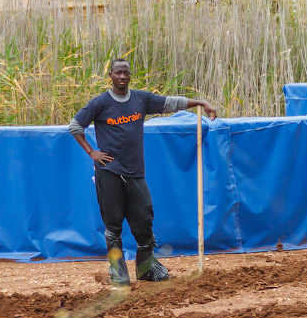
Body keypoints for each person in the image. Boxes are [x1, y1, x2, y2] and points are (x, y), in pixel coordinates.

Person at [69, 58, 216, 286]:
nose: (122, 77)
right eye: (118, 73)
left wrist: (201, 103)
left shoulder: (141, 99)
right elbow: (75, 126)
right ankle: (118, 273)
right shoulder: (100, 103)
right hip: (109, 172)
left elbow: (171, 102)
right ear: (110, 75)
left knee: (144, 218)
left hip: (135, 172)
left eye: (126, 73)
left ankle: (147, 268)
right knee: (113, 225)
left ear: (130, 75)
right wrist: (92, 152)